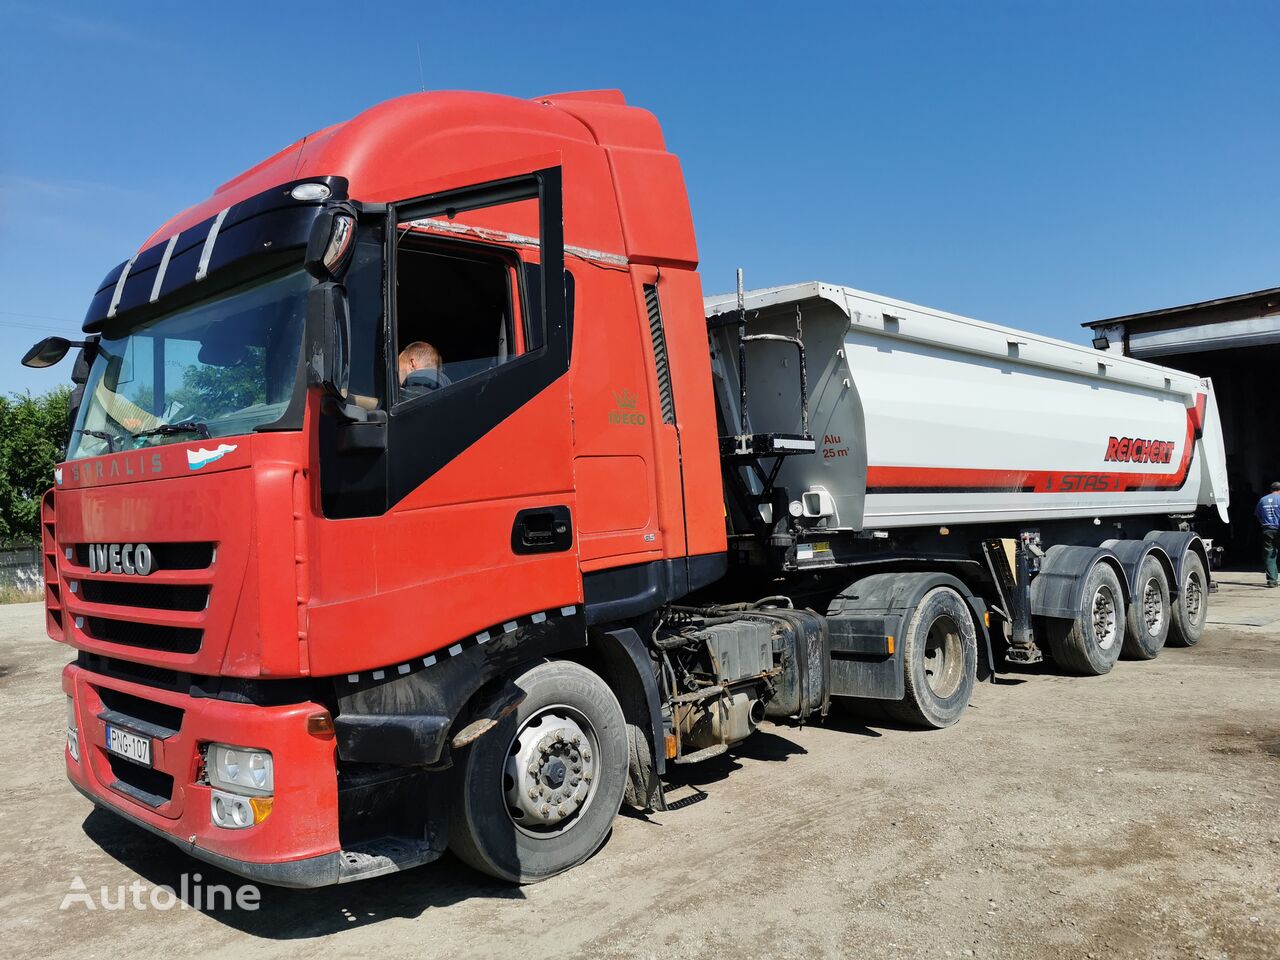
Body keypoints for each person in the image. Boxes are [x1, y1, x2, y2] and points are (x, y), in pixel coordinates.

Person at [1256, 481, 1280, 588]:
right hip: (1278, 528)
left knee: (1269, 555)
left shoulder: (1262, 500)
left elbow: (1258, 514)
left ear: (1271, 489)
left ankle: (1272, 581)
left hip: (1267, 529)